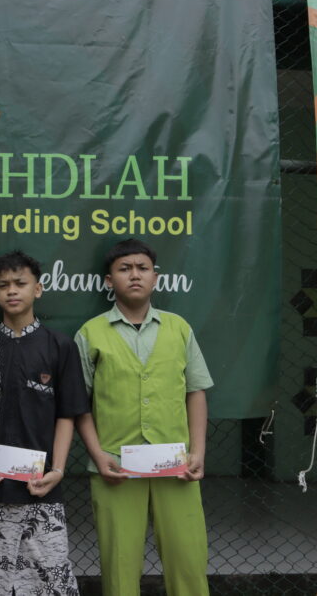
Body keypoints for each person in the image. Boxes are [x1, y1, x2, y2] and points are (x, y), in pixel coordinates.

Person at [75, 238, 212, 596]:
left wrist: (197, 451)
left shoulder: (178, 328)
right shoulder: (91, 333)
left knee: (188, 560)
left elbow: (196, 391)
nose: (134, 275)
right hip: (115, 465)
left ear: (155, 278)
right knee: (119, 565)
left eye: (142, 268)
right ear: (109, 281)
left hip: (177, 465)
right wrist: (98, 455)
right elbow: (79, 405)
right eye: (124, 269)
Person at [0, 250, 89, 596]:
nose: (12, 291)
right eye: (3, 285)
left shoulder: (60, 345)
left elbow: (67, 414)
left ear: (38, 288)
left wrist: (58, 470)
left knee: (51, 583)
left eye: (20, 283)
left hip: (41, 486)